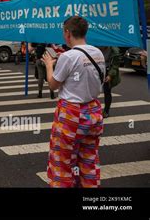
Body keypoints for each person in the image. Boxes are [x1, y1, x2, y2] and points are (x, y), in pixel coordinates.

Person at [42, 16, 105, 188]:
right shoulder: (98, 53)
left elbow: (53, 85)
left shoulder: (68, 57)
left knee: (62, 163)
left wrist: (49, 65)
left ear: (68, 33)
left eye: (64, 32)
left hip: (71, 114)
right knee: (88, 161)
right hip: (94, 111)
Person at [97, 46, 121, 118]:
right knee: (92, 90)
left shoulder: (114, 51)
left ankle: (106, 111)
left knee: (107, 91)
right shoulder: (94, 47)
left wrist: (110, 75)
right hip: (96, 70)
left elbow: (115, 66)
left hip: (107, 71)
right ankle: (93, 110)